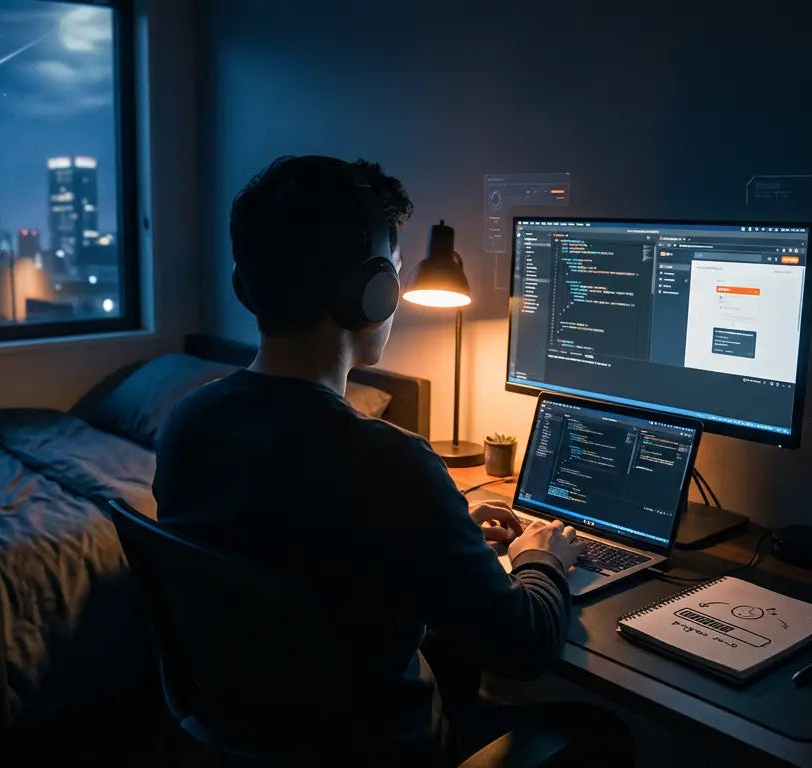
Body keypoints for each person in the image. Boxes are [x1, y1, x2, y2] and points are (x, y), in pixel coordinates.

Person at [153, 155, 633, 765]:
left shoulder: (188, 423)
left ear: (245, 286)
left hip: (251, 742)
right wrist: (543, 559)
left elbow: (309, 560)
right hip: (383, 748)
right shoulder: (388, 461)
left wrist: (445, 541)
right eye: (398, 275)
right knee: (600, 731)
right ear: (372, 291)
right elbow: (523, 648)